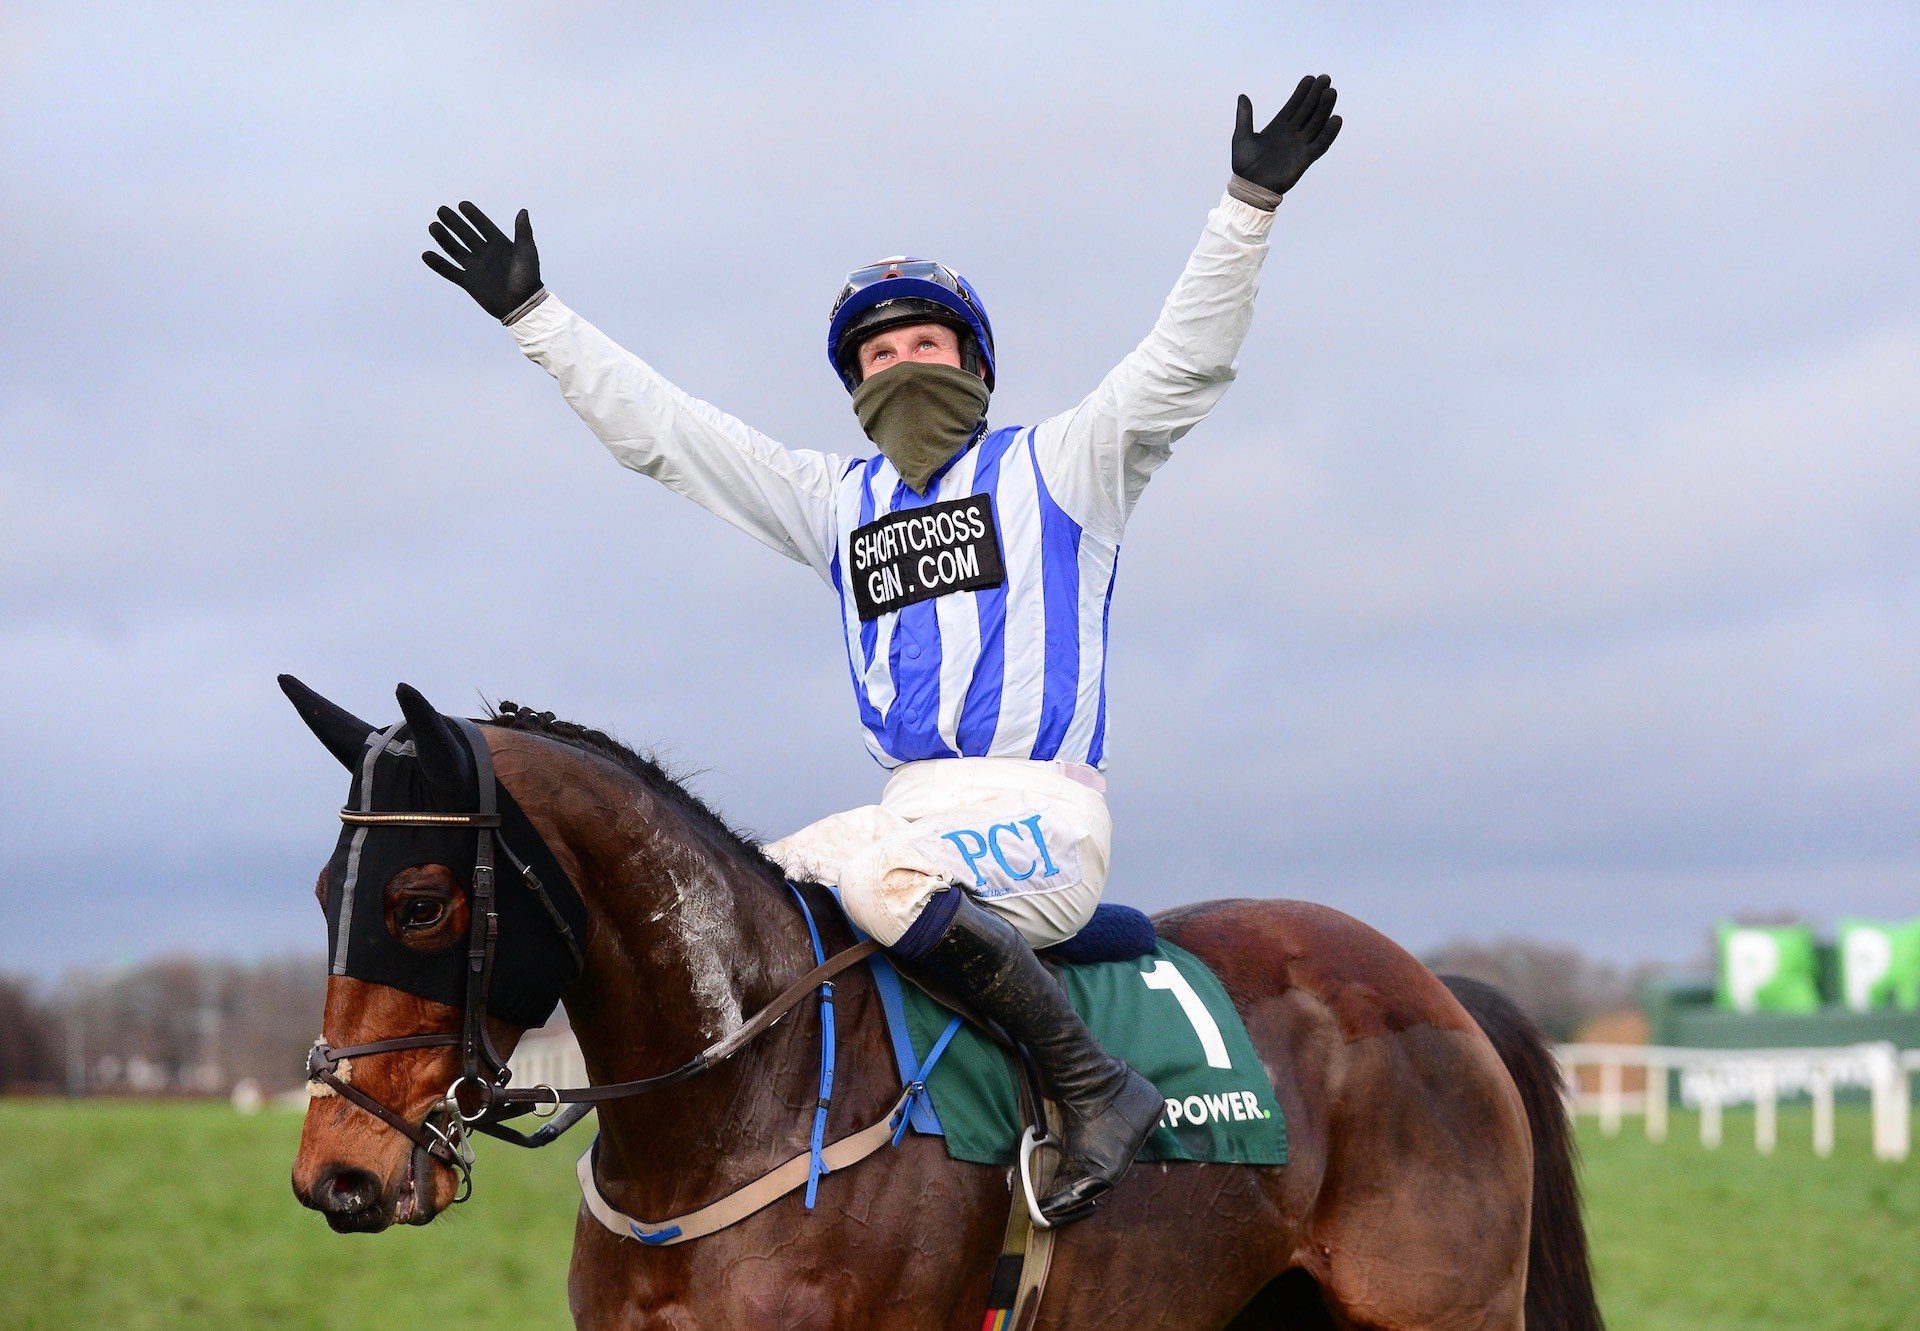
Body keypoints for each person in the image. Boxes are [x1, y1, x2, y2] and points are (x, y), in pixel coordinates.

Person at [423, 75, 1341, 1224]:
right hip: (908, 808)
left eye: (924, 339)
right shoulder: (834, 501)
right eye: (876, 351)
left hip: (1039, 815)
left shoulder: (1064, 465)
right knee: (714, 893)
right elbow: (672, 437)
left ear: (975, 362)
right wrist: (539, 321)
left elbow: (1179, 365)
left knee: (874, 878)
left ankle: (1096, 1087)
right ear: (852, 384)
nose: (900, 362)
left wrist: (1245, 206)